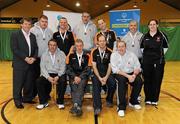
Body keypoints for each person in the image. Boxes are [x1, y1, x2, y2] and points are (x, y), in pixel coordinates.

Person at [10, 17, 38, 109]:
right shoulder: (15, 34)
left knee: (28, 83)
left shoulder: (33, 36)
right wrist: (25, 58)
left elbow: (36, 48)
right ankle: (17, 101)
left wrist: (33, 58)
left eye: (29, 24)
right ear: (21, 25)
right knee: (18, 83)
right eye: (25, 24)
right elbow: (14, 49)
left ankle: (27, 98)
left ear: (31, 26)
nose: (27, 26)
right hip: (20, 64)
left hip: (31, 63)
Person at [111, 40, 143, 117]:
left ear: (125, 47)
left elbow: (138, 67)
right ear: (117, 47)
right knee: (121, 81)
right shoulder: (114, 55)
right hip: (120, 73)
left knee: (139, 81)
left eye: (123, 46)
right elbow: (115, 70)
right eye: (119, 47)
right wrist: (128, 76)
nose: (121, 48)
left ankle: (133, 101)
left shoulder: (132, 54)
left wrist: (134, 75)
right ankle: (121, 107)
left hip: (131, 73)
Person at [141, 19, 168, 106]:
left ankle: (154, 99)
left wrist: (157, 56)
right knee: (147, 80)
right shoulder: (145, 36)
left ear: (157, 25)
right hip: (146, 62)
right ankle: (148, 98)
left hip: (158, 62)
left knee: (157, 80)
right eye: (150, 24)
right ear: (148, 26)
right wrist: (148, 57)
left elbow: (165, 48)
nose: (152, 26)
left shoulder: (162, 35)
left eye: (154, 24)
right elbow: (142, 48)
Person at [36, 39, 66, 110]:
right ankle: (43, 102)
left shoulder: (61, 54)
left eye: (54, 45)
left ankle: (60, 102)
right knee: (39, 81)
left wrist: (58, 76)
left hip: (58, 73)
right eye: (51, 45)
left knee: (63, 81)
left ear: (56, 46)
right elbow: (42, 68)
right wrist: (48, 77)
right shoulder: (44, 54)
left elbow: (63, 67)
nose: (52, 47)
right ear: (48, 46)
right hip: (48, 74)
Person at [91, 33, 116, 115]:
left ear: (106, 42)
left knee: (112, 83)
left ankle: (109, 100)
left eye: (103, 41)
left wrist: (105, 77)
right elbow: (94, 66)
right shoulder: (94, 52)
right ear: (97, 42)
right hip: (97, 73)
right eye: (100, 41)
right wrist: (99, 77)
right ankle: (97, 107)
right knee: (95, 85)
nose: (102, 42)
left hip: (107, 73)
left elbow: (110, 66)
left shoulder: (110, 52)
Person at [53, 17, 75, 108]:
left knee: (69, 77)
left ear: (67, 24)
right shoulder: (55, 34)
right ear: (59, 23)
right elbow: (54, 46)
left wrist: (69, 54)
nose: (63, 23)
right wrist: (61, 56)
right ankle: (60, 99)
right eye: (61, 22)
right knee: (61, 79)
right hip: (58, 59)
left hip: (68, 58)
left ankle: (72, 96)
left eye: (64, 22)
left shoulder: (70, 33)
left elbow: (72, 45)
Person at [30, 15, 53, 98]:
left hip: (47, 59)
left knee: (47, 77)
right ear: (39, 21)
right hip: (36, 58)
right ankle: (33, 94)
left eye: (46, 22)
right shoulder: (32, 30)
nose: (44, 23)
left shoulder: (50, 31)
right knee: (35, 77)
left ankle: (47, 94)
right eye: (42, 21)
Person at [66, 39, 91, 116]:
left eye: (80, 46)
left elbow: (88, 69)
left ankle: (76, 105)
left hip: (83, 76)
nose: (79, 47)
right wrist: (74, 77)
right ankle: (78, 107)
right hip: (73, 76)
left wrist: (80, 77)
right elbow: (68, 69)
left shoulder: (87, 56)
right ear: (75, 47)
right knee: (74, 87)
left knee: (80, 86)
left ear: (83, 46)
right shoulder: (70, 56)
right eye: (77, 46)